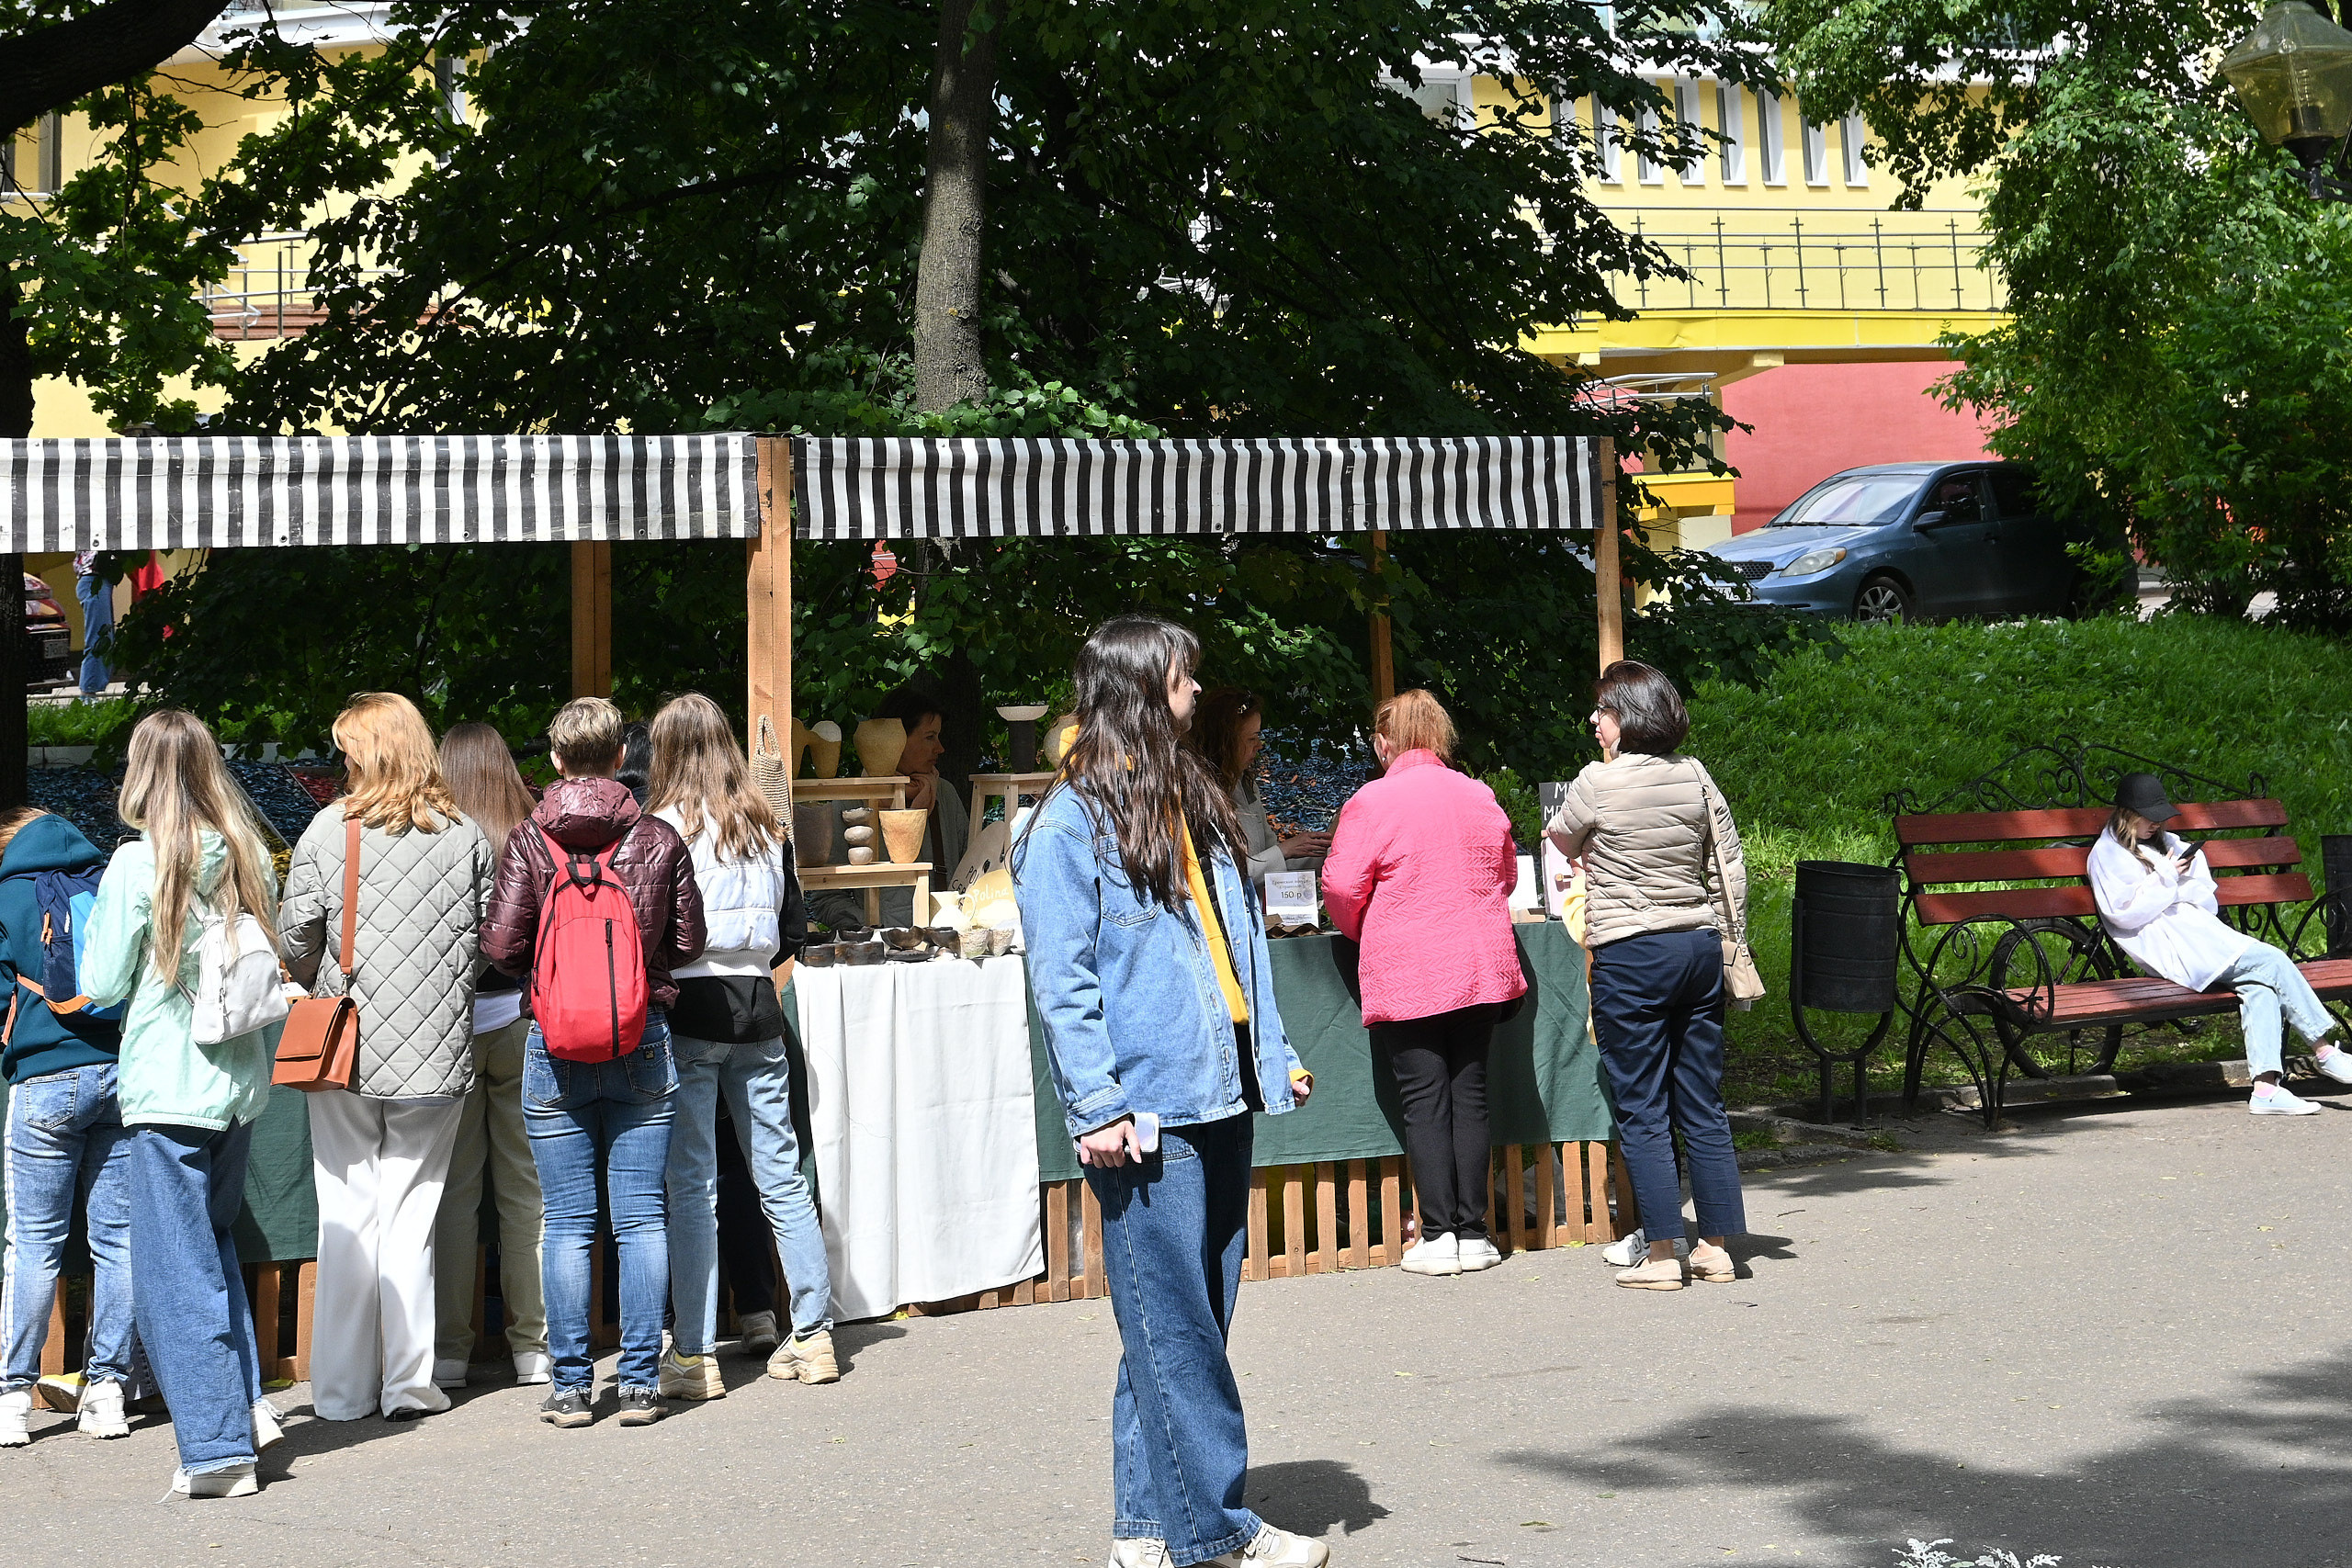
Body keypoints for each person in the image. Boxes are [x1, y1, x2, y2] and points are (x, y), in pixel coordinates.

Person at [1014, 614, 1328, 1568]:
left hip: (1218, 1088)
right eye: (1184, 678)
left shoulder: (1186, 795)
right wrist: (1097, 1105)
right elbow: (1062, 982)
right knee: (1178, 1327)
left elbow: (1235, 945)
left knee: (1173, 1325)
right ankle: (1218, 1529)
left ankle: (1148, 1527)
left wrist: (1270, 1052)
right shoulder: (1068, 820)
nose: (1197, 693)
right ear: (1145, 689)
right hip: (1145, 1106)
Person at [481, 695, 704, 1429]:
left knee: (569, 1222)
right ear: (620, 756)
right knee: (640, 1219)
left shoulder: (528, 839)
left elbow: (501, 947)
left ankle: (573, 1387)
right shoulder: (658, 836)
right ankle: (639, 1384)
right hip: (643, 1036)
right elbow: (689, 941)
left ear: (554, 759)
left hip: (554, 1045)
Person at [81, 709, 285, 1496]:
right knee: (214, 1250)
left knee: (175, 1270)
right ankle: (245, 1407)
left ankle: (217, 1448)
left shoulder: (139, 862)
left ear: (142, 772)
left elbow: (101, 982)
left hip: (168, 1085)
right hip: (238, 1087)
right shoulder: (247, 852)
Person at [277, 694, 493, 1422]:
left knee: (347, 1211)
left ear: (366, 755)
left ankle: (341, 1392)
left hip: (345, 1044)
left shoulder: (329, 828)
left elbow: (296, 938)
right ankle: (408, 1381)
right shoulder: (465, 834)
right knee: (411, 1215)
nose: (341, 763)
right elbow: (488, 941)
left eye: (347, 750)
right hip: (435, 1054)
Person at [645, 692, 835, 1400]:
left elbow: (652, 929)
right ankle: (814, 1333)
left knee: (692, 1186)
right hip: (758, 1004)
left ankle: (695, 1354)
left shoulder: (662, 827)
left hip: (690, 1008)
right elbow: (793, 930)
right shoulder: (765, 824)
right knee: (780, 1176)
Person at [1544, 660, 1747, 1292]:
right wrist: (1731, 940)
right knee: (1703, 1102)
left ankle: (1663, 1254)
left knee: (1643, 1106)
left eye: (1601, 710)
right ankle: (1716, 1248)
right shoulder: (1696, 774)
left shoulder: (1596, 781)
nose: (1593, 721)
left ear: (1627, 716)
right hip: (1697, 946)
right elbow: (1728, 863)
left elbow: (1560, 839)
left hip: (1631, 953)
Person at [1320, 690, 1523, 1280]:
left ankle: (1438, 1236)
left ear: (1385, 742)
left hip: (1408, 968)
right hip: (1479, 966)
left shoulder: (1371, 800)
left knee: (1424, 1100)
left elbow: (1340, 888)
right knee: (1470, 1095)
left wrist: (1366, 928)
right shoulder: (1478, 793)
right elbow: (1506, 875)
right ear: (1439, 738)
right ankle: (1475, 1233)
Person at [2090, 772, 2352, 1115]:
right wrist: (2167, 879)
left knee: (2261, 987)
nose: (2156, 824)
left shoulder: (2167, 844)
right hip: (2170, 947)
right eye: (2148, 817)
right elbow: (2124, 915)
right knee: (2272, 961)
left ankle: (2266, 1090)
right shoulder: (2107, 855)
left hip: (2202, 937)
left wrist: (2177, 879)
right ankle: (2325, 1052)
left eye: (2160, 817)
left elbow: (2204, 898)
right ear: (2127, 815)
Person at [0, 806, 133, 1445]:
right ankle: (107, 1391)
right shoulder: (108, 880)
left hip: (44, 1079)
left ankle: (11, 1398)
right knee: (118, 1240)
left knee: (33, 1241)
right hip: (120, 1073)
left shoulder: (6, 895)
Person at [430, 722, 551, 1388]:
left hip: (447, 1026)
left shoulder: (432, 832)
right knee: (526, 1189)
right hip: (520, 1021)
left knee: (454, 1193)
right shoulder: (532, 831)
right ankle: (534, 1347)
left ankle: (449, 1351)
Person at [808, 684, 967, 930]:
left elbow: (973, 877)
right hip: (877, 947)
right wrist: (870, 927)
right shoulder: (851, 801)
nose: (940, 748)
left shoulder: (944, 795)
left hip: (944, 942)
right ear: (896, 740)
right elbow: (826, 896)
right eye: (929, 737)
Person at [1190, 689, 1330, 882]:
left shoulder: (1244, 783)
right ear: (1225, 742)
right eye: (1251, 738)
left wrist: (1329, 851)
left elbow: (1274, 860)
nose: (1259, 745)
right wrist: (1284, 850)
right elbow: (1224, 878)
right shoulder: (1199, 796)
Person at [73, 551, 112, 700]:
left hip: (96, 580)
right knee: (98, 638)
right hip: (93, 579)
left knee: (103, 637)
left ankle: (90, 692)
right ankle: (88, 694)